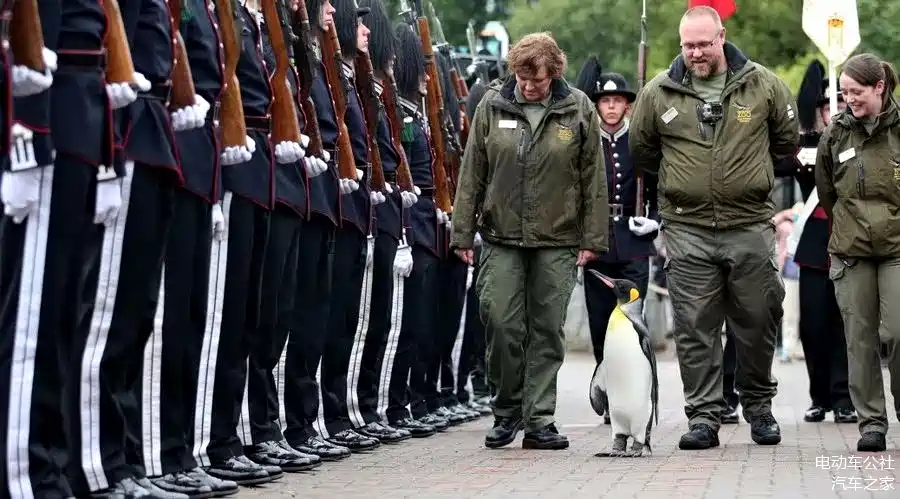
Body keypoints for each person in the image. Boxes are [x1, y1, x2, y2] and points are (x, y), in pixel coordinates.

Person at [629, 6, 798, 450]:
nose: (697, 52)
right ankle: (704, 416)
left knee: (758, 317)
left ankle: (759, 407)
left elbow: (786, 141)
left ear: (722, 36)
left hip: (749, 223)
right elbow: (643, 152)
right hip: (687, 227)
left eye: (704, 43)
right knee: (694, 325)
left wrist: (747, 176)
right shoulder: (658, 92)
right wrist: (686, 183)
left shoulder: (763, 84)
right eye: (689, 45)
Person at [450, 32, 608, 450]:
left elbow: (594, 177)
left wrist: (593, 238)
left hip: (557, 238)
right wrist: (462, 231)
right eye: (521, 77)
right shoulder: (492, 104)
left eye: (536, 79)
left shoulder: (578, 108)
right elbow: (472, 171)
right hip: (500, 235)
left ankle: (539, 419)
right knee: (500, 321)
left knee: (546, 330)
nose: (527, 86)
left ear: (553, 73)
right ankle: (506, 410)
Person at [814, 52, 900, 453]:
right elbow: (827, 190)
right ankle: (872, 423)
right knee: (859, 338)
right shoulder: (836, 135)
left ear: (879, 87)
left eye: (856, 91)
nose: (849, 99)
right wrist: (850, 226)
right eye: (844, 92)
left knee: (897, 332)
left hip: (897, 248)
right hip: (851, 251)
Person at [780, 59, 855, 425]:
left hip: (851, 243)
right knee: (813, 325)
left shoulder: (860, 142)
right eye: (828, 107)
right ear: (820, 111)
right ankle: (818, 396)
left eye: (839, 105)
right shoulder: (805, 147)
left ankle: (844, 397)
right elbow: (777, 164)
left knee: (845, 324)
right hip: (813, 246)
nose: (834, 113)